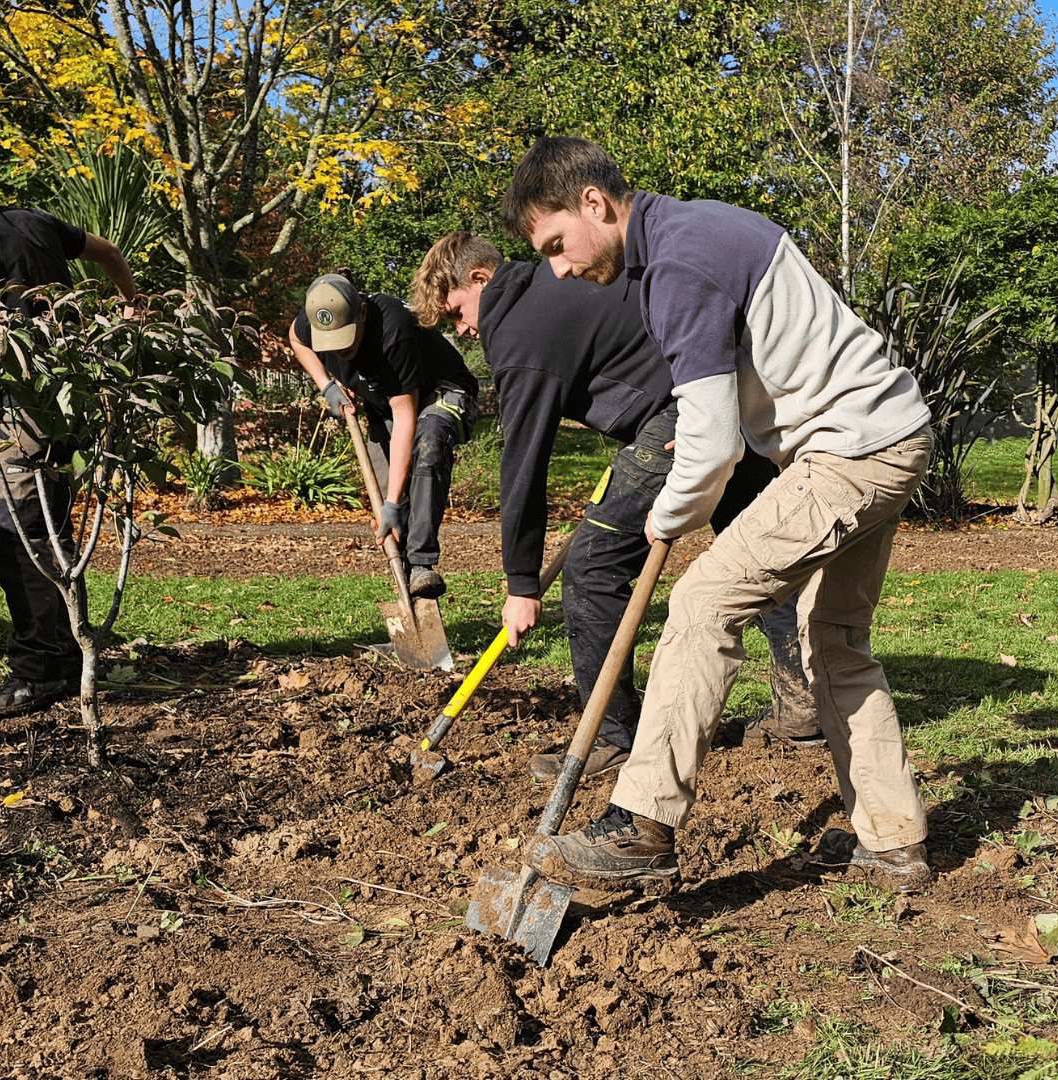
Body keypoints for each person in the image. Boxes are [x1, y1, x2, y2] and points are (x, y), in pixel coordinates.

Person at [501, 137, 940, 893]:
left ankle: (643, 826)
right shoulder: (690, 232)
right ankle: (893, 841)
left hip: (848, 450)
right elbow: (735, 384)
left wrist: (667, 516)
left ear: (594, 205)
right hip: (891, 432)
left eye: (556, 244)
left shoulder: (675, 264)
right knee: (832, 641)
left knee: (704, 602)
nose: (560, 268)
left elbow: (708, 451)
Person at [409, 232, 825, 783]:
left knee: (591, 570)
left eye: (457, 312)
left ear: (479, 279)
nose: (461, 330)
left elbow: (524, 463)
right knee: (756, 550)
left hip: (680, 415)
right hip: (722, 392)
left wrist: (521, 584)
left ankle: (613, 737)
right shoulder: (552, 285)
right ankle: (804, 711)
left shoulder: (516, 330)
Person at [0, 142, 140, 717]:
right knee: (52, 529)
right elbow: (112, 254)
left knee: (18, 536)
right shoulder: (32, 220)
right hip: (69, 399)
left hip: (23, 411)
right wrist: (129, 313)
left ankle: (38, 672)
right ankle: (71, 656)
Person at [286, 273, 479, 599]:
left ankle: (422, 565)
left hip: (442, 392)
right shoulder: (313, 320)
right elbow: (296, 339)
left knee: (428, 442)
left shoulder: (394, 330)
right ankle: (412, 599)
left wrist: (392, 502)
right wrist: (327, 385)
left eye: (345, 338)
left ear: (361, 312)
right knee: (391, 507)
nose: (340, 350)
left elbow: (407, 417)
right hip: (385, 404)